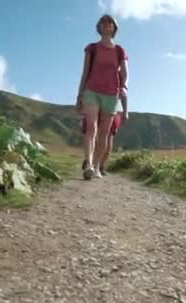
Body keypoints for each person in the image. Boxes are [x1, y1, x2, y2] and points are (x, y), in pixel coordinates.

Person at [76, 14, 129, 180]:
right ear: (99, 27)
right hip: (92, 91)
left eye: (110, 22)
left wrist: (124, 87)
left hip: (111, 94)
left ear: (114, 27)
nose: (107, 24)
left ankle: (98, 166)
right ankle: (89, 165)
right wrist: (80, 94)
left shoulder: (120, 51)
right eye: (103, 22)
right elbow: (85, 72)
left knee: (104, 134)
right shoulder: (92, 48)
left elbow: (125, 73)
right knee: (92, 128)